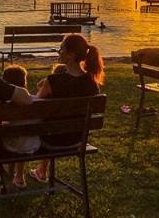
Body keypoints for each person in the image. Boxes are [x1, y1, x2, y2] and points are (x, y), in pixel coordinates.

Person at [29, 33, 104, 184]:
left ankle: (19, 176)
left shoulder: (53, 81)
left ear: (71, 55)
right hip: (77, 139)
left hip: (51, 139)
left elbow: (35, 107)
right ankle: (41, 170)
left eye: (61, 49)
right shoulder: (92, 84)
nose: (59, 52)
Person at [1, 65, 38, 188]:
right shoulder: (34, 101)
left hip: (10, 146)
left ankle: (8, 175)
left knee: (12, 134)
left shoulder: (4, 105)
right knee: (22, 132)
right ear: (24, 82)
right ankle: (19, 176)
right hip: (33, 145)